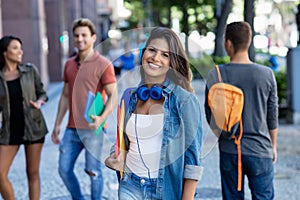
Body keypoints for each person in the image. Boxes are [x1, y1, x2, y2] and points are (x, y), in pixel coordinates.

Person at [106, 27, 203, 199]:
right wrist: (115, 159)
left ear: (173, 62)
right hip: (130, 186)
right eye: (152, 50)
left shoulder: (184, 101)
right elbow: (126, 145)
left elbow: (192, 162)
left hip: (164, 191)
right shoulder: (129, 97)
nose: (155, 58)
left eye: (165, 55)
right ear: (144, 53)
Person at [204, 21, 278, 200]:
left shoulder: (216, 74)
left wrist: (224, 136)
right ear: (249, 41)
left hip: (230, 150)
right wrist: (273, 146)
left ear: (228, 43)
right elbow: (272, 115)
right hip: (260, 149)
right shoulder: (266, 74)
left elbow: (210, 115)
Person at [51, 18, 118, 199]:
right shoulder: (69, 64)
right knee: (64, 169)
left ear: (93, 37)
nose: (80, 39)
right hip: (72, 130)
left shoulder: (103, 63)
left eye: (84, 35)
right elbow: (65, 95)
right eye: (77, 36)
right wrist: (57, 123)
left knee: (93, 171)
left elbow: (113, 95)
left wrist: (102, 118)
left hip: (93, 130)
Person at [0, 35, 48, 199]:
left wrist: (40, 102)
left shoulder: (30, 70)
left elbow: (42, 93)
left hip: (34, 127)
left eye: (20, 47)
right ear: (5, 52)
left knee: (32, 173)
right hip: (9, 131)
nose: (20, 51)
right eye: (15, 48)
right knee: (1, 174)